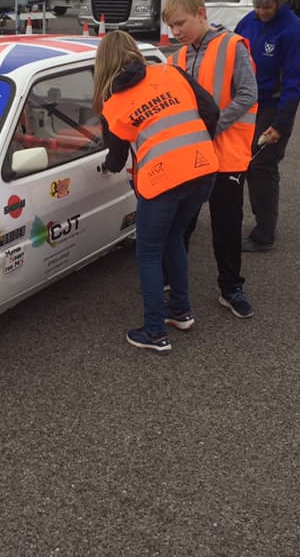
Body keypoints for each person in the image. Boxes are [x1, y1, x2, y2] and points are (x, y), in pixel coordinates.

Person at [94, 31, 219, 353]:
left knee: (148, 253)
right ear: (134, 52)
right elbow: (212, 111)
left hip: (163, 181)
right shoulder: (170, 72)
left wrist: (106, 167)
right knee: (174, 237)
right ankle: (180, 311)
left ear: (103, 64)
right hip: (203, 169)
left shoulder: (113, 104)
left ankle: (154, 332)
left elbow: (118, 158)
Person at [161, 0, 258, 319]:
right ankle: (171, 281)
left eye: (180, 23)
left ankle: (231, 288)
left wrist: (213, 125)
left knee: (226, 226)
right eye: (170, 26)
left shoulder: (233, 46)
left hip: (227, 155)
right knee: (180, 224)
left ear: (201, 14)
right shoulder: (176, 58)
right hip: (189, 157)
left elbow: (248, 94)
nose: (175, 32)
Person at [235, 0, 300, 251]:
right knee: (239, 163)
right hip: (246, 103)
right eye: (257, 6)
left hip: (273, 105)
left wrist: (280, 124)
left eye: (266, 7)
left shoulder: (293, 30)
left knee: (261, 166)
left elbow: (294, 83)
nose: (261, 12)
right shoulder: (248, 22)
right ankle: (234, 220)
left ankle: (264, 234)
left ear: (280, 1)